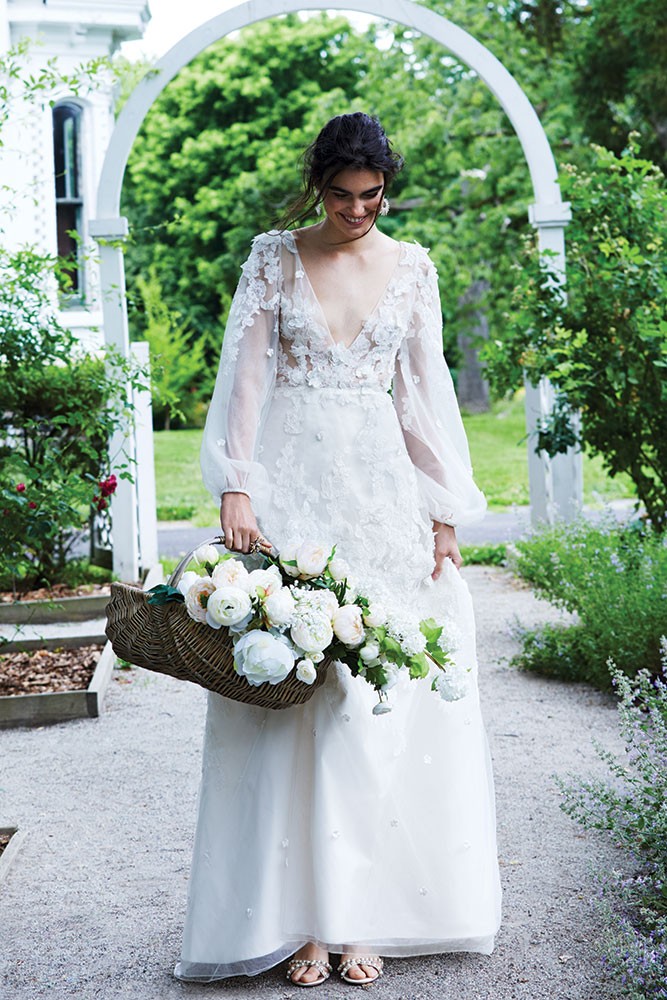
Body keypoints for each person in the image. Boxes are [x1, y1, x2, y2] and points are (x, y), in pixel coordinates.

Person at [174, 112, 502, 988]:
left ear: (386, 186)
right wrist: (235, 484)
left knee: (376, 697)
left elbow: (425, 398)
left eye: (372, 195)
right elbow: (241, 378)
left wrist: (442, 512)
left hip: (380, 497)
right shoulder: (273, 258)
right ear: (317, 187)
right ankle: (303, 925)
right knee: (289, 689)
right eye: (341, 196)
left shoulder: (414, 268)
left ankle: (366, 919)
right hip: (291, 490)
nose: (358, 211)